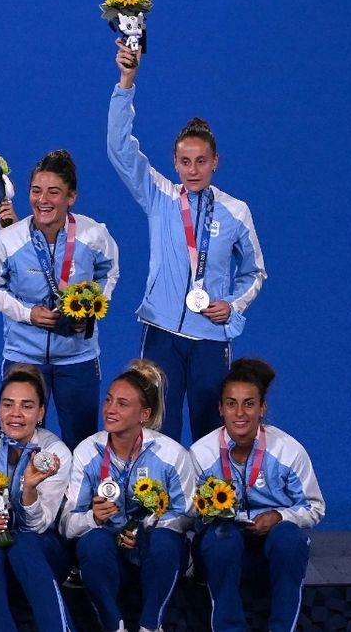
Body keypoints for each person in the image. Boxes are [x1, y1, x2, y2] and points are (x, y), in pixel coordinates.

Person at [107, 39, 266, 443]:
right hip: (161, 331)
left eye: (201, 161)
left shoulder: (236, 211)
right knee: (157, 427)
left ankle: (212, 504)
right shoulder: (160, 197)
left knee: (212, 431)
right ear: (175, 163)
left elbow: (254, 271)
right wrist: (127, 80)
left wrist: (232, 305)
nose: (193, 170)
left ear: (215, 162)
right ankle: (162, 505)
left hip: (211, 338)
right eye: (184, 161)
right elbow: (120, 150)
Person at [0, 149, 120, 450]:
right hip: (24, 356)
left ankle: (77, 498)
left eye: (54, 192)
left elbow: (110, 273)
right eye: (36, 191)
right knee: (20, 442)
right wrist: (27, 314)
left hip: (78, 357)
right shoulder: (9, 239)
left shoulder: (93, 235)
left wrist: (94, 305)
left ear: (71, 197)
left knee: (82, 443)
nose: (43, 200)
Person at [61, 359, 196, 632]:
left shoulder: (171, 456)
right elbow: (66, 524)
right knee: (92, 543)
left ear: (144, 415)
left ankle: (150, 625)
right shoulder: (87, 452)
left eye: (122, 404)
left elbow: (189, 515)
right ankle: (114, 626)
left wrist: (148, 526)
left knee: (165, 541)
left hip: (157, 557)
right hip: (111, 561)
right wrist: (93, 518)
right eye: (108, 400)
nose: (110, 410)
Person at [190, 359, 325, 632]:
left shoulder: (288, 452)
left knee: (290, 538)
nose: (240, 413)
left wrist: (279, 516)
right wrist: (214, 514)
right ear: (220, 408)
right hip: (223, 552)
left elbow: (314, 507)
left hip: (270, 552)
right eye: (231, 403)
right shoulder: (201, 455)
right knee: (220, 537)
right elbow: (188, 512)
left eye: (249, 403)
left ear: (262, 408)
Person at [0, 364, 74, 631]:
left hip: (40, 554)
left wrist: (29, 489)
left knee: (24, 541)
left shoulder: (54, 452)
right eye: (8, 404)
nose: (15, 414)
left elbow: (39, 525)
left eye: (27, 406)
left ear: (41, 413)